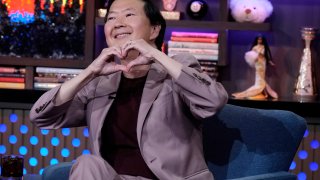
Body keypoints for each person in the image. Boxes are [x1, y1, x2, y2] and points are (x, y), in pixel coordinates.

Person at [29, 0, 228, 179]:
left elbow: (213, 101)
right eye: (111, 17)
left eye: (129, 14)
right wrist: (90, 72)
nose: (118, 23)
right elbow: (41, 116)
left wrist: (155, 54)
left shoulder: (176, 70)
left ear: (154, 30)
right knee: (88, 163)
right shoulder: (100, 82)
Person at [232, 34, 278, 99]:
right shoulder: (255, 47)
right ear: (257, 40)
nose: (260, 40)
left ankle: (262, 91)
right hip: (258, 63)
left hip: (263, 63)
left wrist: (270, 62)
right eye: (259, 39)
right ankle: (260, 90)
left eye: (261, 39)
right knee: (259, 77)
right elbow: (252, 55)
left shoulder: (264, 47)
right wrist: (255, 58)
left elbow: (266, 56)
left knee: (262, 77)